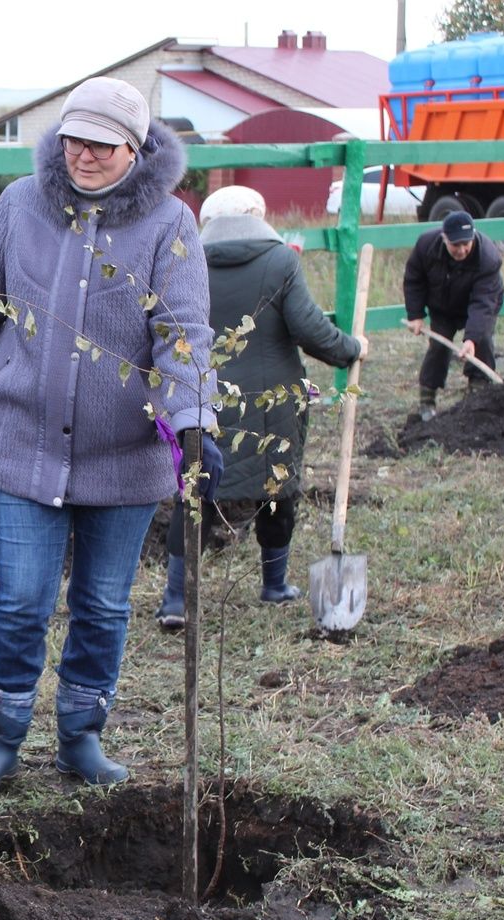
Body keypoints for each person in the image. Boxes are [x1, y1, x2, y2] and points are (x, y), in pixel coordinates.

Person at [0, 77, 221, 793]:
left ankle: (82, 734)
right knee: (23, 599)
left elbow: (181, 334)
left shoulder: (170, 224)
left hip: (124, 460)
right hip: (22, 446)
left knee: (102, 604)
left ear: (136, 149)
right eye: (73, 139)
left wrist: (193, 422)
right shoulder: (21, 207)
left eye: (101, 143)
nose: (82, 155)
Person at [154, 186, 367, 631]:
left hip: (201, 398)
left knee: (196, 496)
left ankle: (176, 600)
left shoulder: (182, 261)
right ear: (258, 214)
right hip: (273, 403)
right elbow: (310, 330)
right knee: (277, 491)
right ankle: (274, 584)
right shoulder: (280, 262)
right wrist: (352, 348)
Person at [403, 209, 504, 421]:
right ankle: (427, 400)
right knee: (439, 347)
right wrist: (416, 314)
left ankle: (478, 395)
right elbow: (414, 279)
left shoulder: (488, 257)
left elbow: (483, 303)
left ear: (473, 236)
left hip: (479, 305)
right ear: (444, 238)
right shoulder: (426, 246)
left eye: (466, 243)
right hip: (443, 306)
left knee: (482, 343)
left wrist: (471, 338)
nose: (462, 249)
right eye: (455, 244)